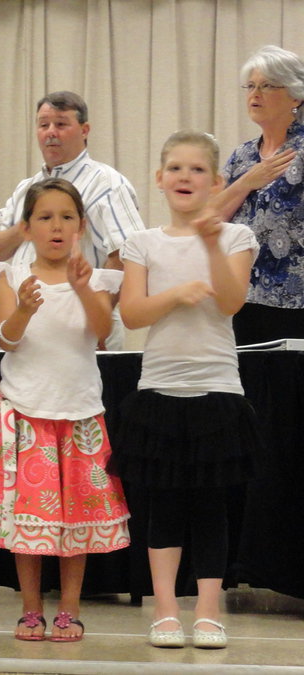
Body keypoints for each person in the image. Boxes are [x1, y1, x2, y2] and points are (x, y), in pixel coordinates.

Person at [111, 131, 260, 650]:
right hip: (159, 391)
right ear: (159, 178)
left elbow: (230, 302)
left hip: (217, 389)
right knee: (164, 506)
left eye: (197, 170)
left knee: (211, 508)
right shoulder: (142, 244)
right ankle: (167, 611)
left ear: (216, 181)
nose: (184, 177)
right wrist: (174, 294)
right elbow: (131, 313)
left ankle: (209, 611)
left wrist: (212, 242)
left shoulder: (238, 238)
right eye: (175, 168)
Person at [0, 178, 131, 643]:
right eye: (44, 217)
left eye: (66, 217)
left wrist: (84, 289)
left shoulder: (97, 278)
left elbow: (102, 332)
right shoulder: (10, 276)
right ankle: (29, 610)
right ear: (27, 228)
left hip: (80, 415)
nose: (56, 226)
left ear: (81, 225)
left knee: (74, 520)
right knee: (31, 522)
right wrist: (22, 309)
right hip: (26, 414)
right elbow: (6, 339)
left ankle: (68, 609)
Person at [0, 91, 145, 349]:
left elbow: (127, 255)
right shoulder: (26, 188)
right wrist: (29, 223)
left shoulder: (107, 183)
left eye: (61, 124)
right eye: (43, 124)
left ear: (84, 129)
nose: (51, 132)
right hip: (26, 324)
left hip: (82, 328)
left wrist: (98, 315)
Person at [213, 45, 304, 344]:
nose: (255, 94)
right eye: (251, 86)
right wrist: (247, 182)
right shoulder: (243, 157)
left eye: (267, 86)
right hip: (244, 298)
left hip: (296, 302)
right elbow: (210, 217)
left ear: (296, 96)